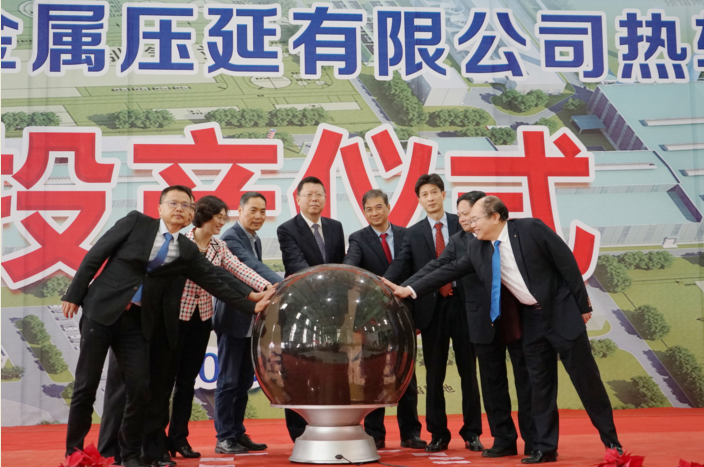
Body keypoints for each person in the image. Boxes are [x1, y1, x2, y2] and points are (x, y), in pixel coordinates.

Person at [387, 196, 622, 464]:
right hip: (531, 321)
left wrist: (582, 305)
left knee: (586, 381)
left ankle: (612, 443)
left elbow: (567, 262)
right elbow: (448, 270)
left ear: (495, 217)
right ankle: (545, 448)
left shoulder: (531, 229)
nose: (470, 224)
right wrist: (409, 289)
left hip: (561, 313)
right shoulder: (477, 248)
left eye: (475, 219)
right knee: (540, 387)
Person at [62, 185, 275, 467]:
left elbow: (214, 278)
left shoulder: (186, 249)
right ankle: (74, 453)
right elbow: (96, 255)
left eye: (186, 205)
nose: (179, 209)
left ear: (192, 213)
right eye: (174, 203)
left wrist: (250, 301)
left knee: (140, 388)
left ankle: (129, 455)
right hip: (102, 312)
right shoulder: (136, 222)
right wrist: (74, 294)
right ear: (160, 207)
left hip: (137, 322)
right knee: (86, 386)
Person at [404, 191, 535, 458]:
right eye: (462, 214)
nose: (464, 219)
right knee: (491, 384)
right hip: (479, 321)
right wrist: (407, 288)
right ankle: (503, 439)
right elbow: (439, 268)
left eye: (469, 215)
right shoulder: (462, 242)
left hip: (513, 319)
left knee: (525, 381)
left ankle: (534, 441)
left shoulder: (512, 235)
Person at [384, 174, 483, 453]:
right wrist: (382, 285)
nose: (430, 198)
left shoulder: (463, 223)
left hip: (464, 306)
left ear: (443, 194)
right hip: (431, 310)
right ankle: (438, 434)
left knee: (469, 372)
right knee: (434, 375)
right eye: (424, 194)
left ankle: (472, 433)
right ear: (419, 200)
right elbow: (402, 266)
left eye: (434, 192)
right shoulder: (412, 233)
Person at [343, 189, 427, 450]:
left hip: (404, 313)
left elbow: (418, 272)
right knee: (373, 373)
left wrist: (418, 316)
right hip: (372, 315)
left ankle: (410, 434)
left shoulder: (407, 235)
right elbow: (352, 264)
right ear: (364, 212)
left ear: (388, 207)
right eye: (368, 209)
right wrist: (346, 271)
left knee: (406, 375)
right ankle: (375, 434)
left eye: (378, 207)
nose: (374, 213)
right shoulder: (358, 238)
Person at [276, 175, 345, 441]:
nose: (314, 199)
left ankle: (331, 424)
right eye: (309, 195)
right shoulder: (287, 229)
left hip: (332, 310)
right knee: (298, 368)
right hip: (301, 308)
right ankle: (299, 433)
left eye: (319, 194)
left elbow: (340, 265)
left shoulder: (336, 227)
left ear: (325, 198)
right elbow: (296, 265)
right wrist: (323, 288)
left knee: (331, 367)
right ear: (298, 199)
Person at [213, 192, 282, 454]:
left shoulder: (254, 238)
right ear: (240, 211)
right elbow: (250, 266)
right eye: (253, 210)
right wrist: (283, 283)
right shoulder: (231, 237)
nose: (259, 216)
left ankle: (237, 432)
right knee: (229, 381)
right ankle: (224, 437)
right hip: (233, 318)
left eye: (263, 211)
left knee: (242, 382)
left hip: (251, 319)